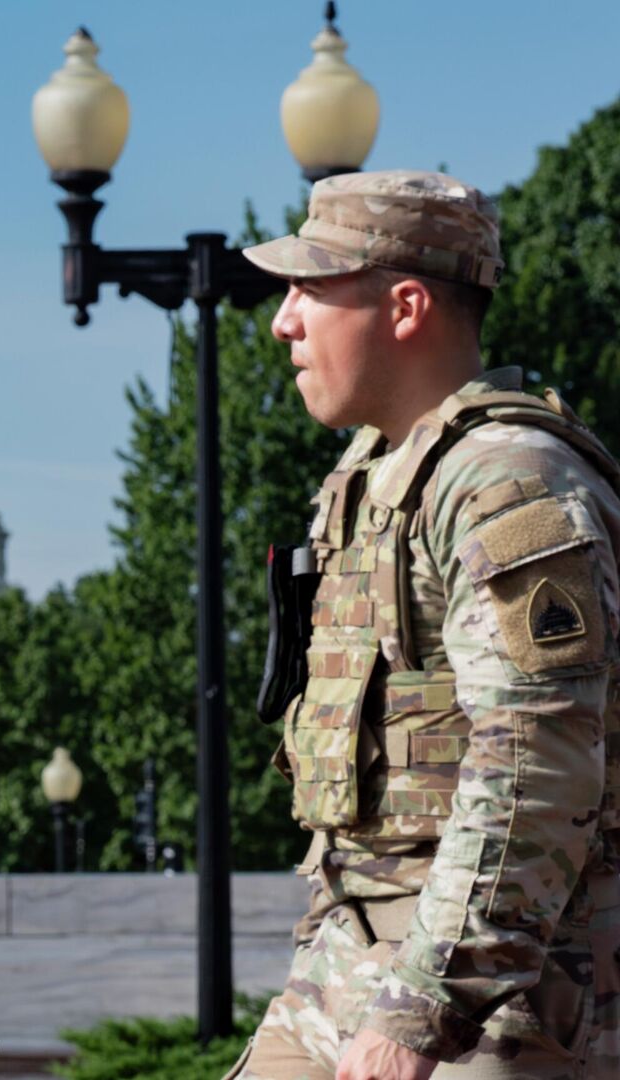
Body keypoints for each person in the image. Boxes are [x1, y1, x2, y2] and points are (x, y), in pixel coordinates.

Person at [234, 170, 620, 1079]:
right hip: (356, 954)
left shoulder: (508, 482)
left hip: (512, 988)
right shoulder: (372, 476)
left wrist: (420, 1008)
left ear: (405, 306)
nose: (285, 321)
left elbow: (535, 764)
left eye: (310, 289)